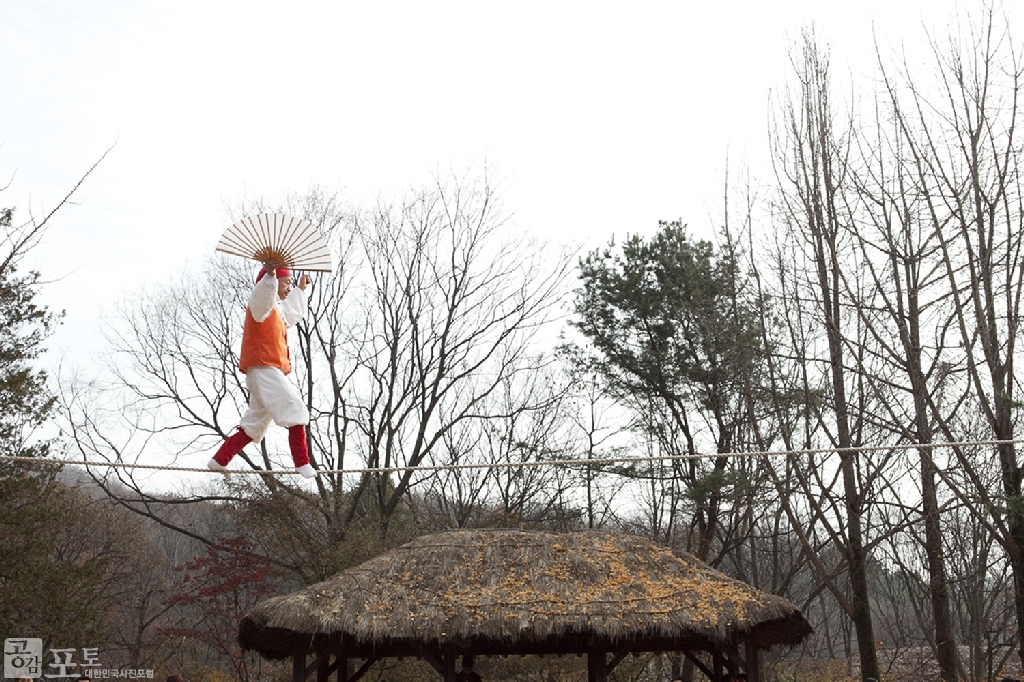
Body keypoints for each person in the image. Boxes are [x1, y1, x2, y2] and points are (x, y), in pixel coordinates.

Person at [208, 259, 316, 478]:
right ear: (273, 284)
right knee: (295, 408)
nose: (288, 287)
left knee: (255, 423)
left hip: (264, 371)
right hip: (263, 368)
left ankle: (219, 460)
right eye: (286, 283)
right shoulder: (261, 304)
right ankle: (302, 461)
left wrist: (300, 289)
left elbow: (291, 312)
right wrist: (270, 275)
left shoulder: (275, 310)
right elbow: (264, 297)